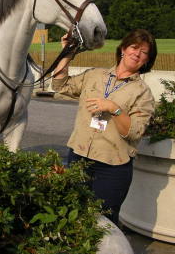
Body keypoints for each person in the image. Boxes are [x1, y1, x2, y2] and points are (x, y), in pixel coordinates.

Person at [52, 28, 157, 225]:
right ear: (123, 49)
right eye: (134, 47)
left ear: (146, 61)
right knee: (74, 214)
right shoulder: (95, 75)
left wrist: (114, 109)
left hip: (113, 167)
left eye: (144, 53)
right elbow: (60, 85)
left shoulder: (143, 93)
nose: (137, 54)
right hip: (79, 157)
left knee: (103, 223)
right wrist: (67, 52)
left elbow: (134, 132)